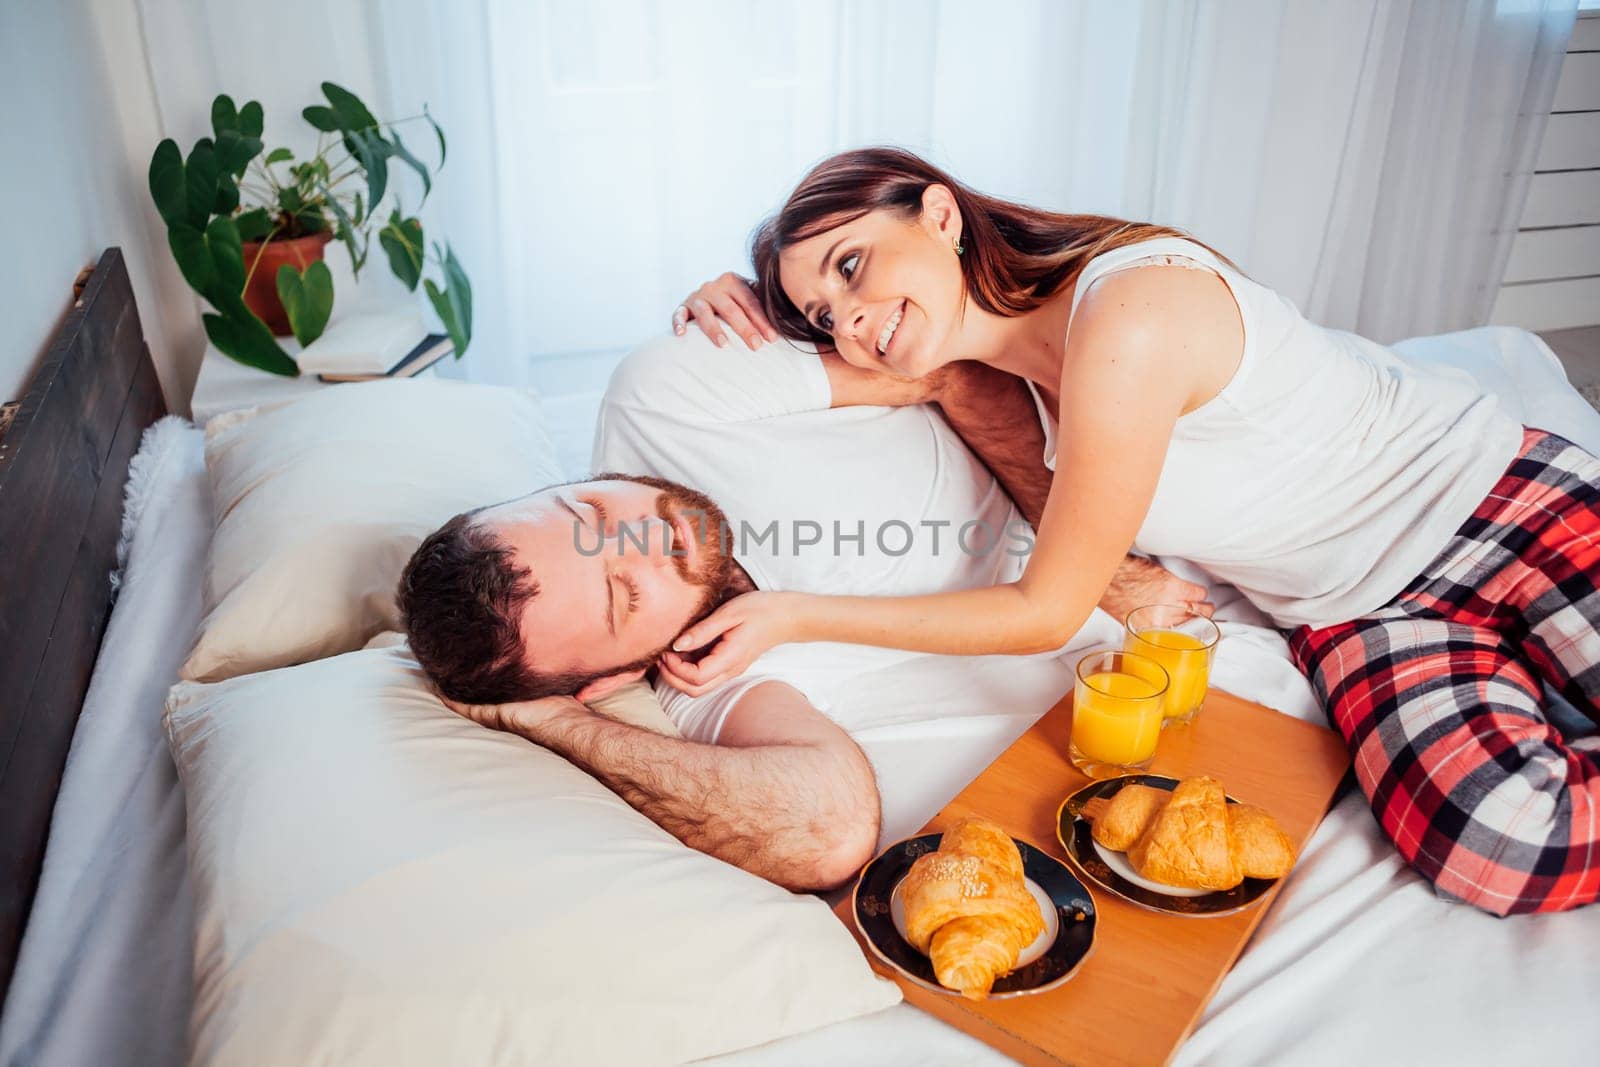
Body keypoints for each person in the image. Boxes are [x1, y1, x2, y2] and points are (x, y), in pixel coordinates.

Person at [662, 146, 1600, 916]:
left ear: (940, 214)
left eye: (853, 264)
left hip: (1490, 501)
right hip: (1356, 612)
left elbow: (1046, 609)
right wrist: (736, 306)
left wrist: (791, 614)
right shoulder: (1007, 373)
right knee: (1500, 843)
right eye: (826, 314)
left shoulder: (1128, 312)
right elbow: (923, 404)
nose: (853, 318)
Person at [400, 334, 1181, 891]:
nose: (649, 535)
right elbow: (831, 829)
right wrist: (557, 725)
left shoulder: (662, 399)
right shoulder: (705, 676)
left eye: (590, 506)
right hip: (1152, 673)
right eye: (624, 593)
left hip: (1131, 452)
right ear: (610, 677)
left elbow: (961, 373)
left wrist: (1099, 567)